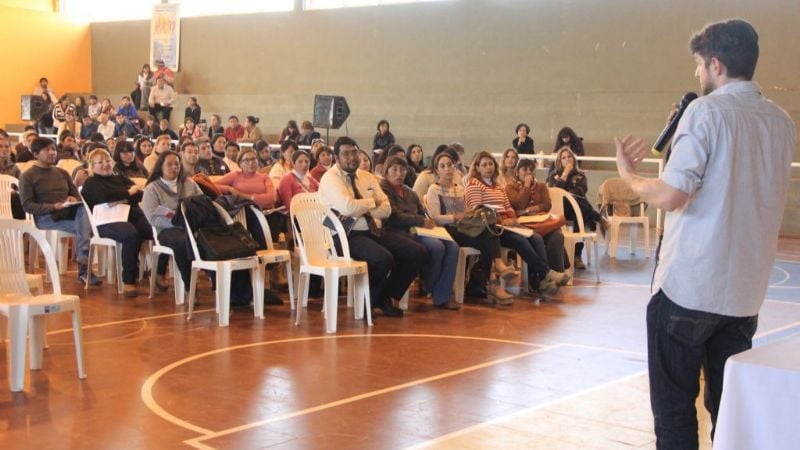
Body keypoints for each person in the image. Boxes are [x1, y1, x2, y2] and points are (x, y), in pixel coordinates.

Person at [614, 19, 795, 449]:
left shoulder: (705, 112)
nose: (697, 74)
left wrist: (629, 177)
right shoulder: (781, 122)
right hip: (744, 294)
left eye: (698, 65)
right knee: (729, 416)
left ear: (715, 65)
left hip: (690, 287)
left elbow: (672, 195)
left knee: (675, 415)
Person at [319, 137, 428, 317]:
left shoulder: (367, 177)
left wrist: (361, 205)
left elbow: (386, 209)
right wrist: (371, 202)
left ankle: (383, 296)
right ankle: (368, 302)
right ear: (336, 158)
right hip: (343, 235)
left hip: (371, 230)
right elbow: (348, 207)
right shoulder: (330, 178)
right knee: (383, 258)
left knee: (417, 252)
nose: (351, 157)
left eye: (354, 152)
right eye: (346, 154)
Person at [466, 151, 569, 299]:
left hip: (507, 225)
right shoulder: (474, 185)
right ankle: (547, 274)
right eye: (484, 165)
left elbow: (508, 207)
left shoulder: (498, 186)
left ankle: (541, 282)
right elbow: (478, 213)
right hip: (490, 229)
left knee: (536, 238)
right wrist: (502, 221)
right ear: (477, 167)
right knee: (520, 241)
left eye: (490, 164)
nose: (488, 167)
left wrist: (513, 220)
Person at [425, 151, 515, 304]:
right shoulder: (434, 189)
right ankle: (492, 278)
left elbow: (467, 212)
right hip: (447, 230)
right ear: (437, 170)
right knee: (489, 239)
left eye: (449, 165)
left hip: (464, 226)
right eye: (443, 166)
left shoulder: (460, 188)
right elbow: (435, 218)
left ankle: (486, 282)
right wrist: (455, 217)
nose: (447, 169)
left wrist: (471, 213)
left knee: (490, 230)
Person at [380, 156, 460, 310]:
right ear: (386, 171)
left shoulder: (410, 192)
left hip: (419, 229)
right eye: (395, 170)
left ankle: (442, 296)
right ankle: (429, 285)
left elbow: (422, 212)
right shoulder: (383, 189)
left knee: (453, 246)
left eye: (402, 170)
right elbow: (393, 216)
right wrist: (419, 220)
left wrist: (427, 221)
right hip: (399, 231)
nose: (399, 174)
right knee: (437, 247)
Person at [18, 137, 99, 285]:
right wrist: (52, 207)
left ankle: (83, 266)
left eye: (54, 149)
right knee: (87, 228)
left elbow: (76, 195)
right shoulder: (28, 176)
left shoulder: (62, 173)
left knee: (82, 208)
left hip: (66, 212)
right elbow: (27, 205)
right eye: (47, 150)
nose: (52, 152)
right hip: (46, 217)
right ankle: (84, 268)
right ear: (36, 154)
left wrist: (72, 199)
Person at [81, 148, 153, 297]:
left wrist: (120, 199)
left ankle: (158, 273)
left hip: (130, 215)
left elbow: (139, 194)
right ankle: (129, 281)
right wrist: (128, 193)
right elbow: (104, 197)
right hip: (106, 220)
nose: (105, 164)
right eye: (100, 162)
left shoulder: (118, 177)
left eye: (107, 160)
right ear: (92, 166)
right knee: (131, 235)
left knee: (156, 231)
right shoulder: (91, 182)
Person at [142, 151, 202, 292]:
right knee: (182, 242)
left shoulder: (189, 183)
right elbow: (153, 218)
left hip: (191, 225)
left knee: (210, 239)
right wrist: (177, 223)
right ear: (160, 167)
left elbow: (202, 202)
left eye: (177, 164)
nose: (174, 167)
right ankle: (190, 287)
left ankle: (220, 284)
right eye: (169, 164)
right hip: (167, 229)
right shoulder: (152, 188)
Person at [547, 146, 608, 269]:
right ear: (559, 161)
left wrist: (569, 194)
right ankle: (598, 217)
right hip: (558, 209)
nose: (567, 159)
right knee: (576, 202)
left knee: (577, 209)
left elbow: (581, 190)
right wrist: (565, 174)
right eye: (564, 158)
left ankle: (577, 256)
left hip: (576, 209)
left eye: (569, 157)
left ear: (574, 159)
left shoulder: (580, 175)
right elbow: (555, 191)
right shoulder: (553, 175)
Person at [505, 159, 567, 272]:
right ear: (517, 172)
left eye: (531, 169)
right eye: (524, 169)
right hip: (524, 224)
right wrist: (526, 186)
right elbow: (519, 204)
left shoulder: (541, 186)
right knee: (536, 238)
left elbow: (547, 205)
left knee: (557, 236)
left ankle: (557, 274)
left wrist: (530, 209)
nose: (528, 172)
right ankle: (542, 275)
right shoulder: (510, 187)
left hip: (542, 221)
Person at [277, 149, 319, 214]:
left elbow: (323, 194)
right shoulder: (286, 180)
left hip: (316, 212)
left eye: (307, 161)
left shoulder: (310, 179)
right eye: (300, 162)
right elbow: (289, 205)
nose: (304, 164)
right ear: (293, 164)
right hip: (298, 215)